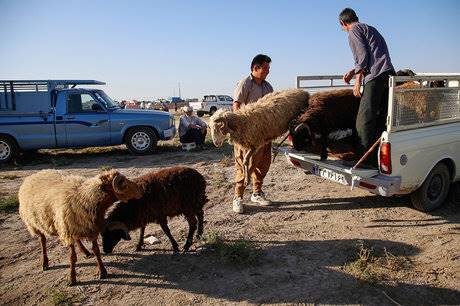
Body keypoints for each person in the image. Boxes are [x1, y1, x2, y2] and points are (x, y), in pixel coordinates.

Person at [340, 8, 395, 167]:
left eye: (342, 28)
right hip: (387, 74)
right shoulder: (370, 28)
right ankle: (375, 158)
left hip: (376, 76)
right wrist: (354, 70)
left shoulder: (353, 30)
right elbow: (372, 55)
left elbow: (363, 55)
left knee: (364, 120)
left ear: (343, 23)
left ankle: (363, 161)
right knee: (381, 119)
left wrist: (358, 80)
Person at [232, 54, 274, 214]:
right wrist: (241, 128)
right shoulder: (245, 84)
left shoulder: (267, 87)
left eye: (269, 69)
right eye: (265, 68)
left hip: (264, 134)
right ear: (255, 68)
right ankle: (238, 197)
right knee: (244, 166)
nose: (268, 72)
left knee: (263, 164)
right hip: (247, 135)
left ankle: (257, 193)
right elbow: (236, 106)